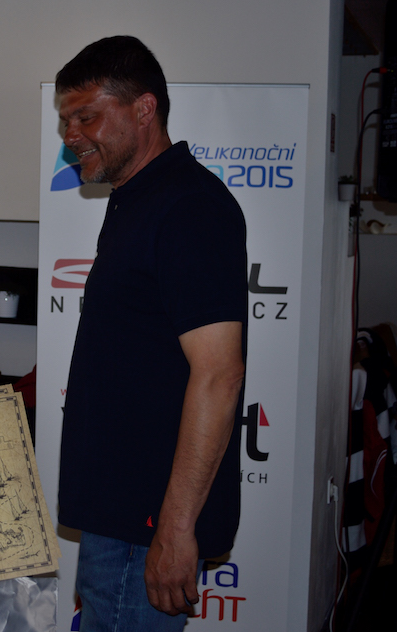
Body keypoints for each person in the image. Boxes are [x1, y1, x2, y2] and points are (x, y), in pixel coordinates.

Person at [55, 36, 247, 631]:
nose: (70, 135)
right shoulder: (136, 199)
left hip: (145, 527)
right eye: (65, 120)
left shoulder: (189, 206)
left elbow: (219, 374)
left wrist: (176, 528)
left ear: (144, 109)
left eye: (87, 116)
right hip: (120, 518)